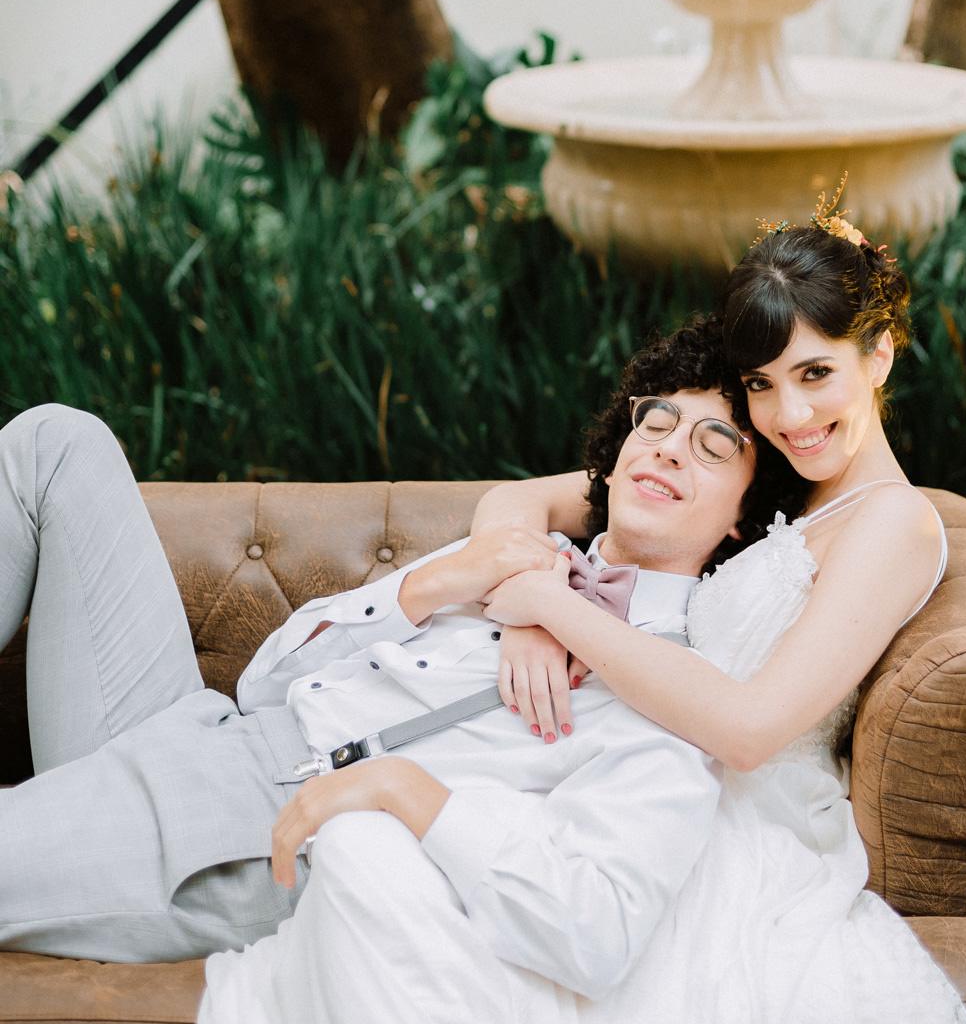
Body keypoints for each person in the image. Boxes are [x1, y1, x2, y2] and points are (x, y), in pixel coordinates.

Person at [196, 200, 966, 1024]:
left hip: (724, 811)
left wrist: (555, 605)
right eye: (765, 385)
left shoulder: (895, 523)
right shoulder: (764, 469)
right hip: (615, 766)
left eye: (817, 373)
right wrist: (527, 617)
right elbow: (533, 503)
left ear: (881, 354)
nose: (790, 413)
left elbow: (747, 725)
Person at [0, 323, 777, 968]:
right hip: (206, 729)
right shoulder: (512, 549)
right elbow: (266, 684)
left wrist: (407, 792)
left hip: (261, 825)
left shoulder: (672, 696)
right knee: (57, 442)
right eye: (659, 421)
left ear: (744, 516)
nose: (672, 447)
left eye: (715, 445)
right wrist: (440, 586)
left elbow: (596, 930)